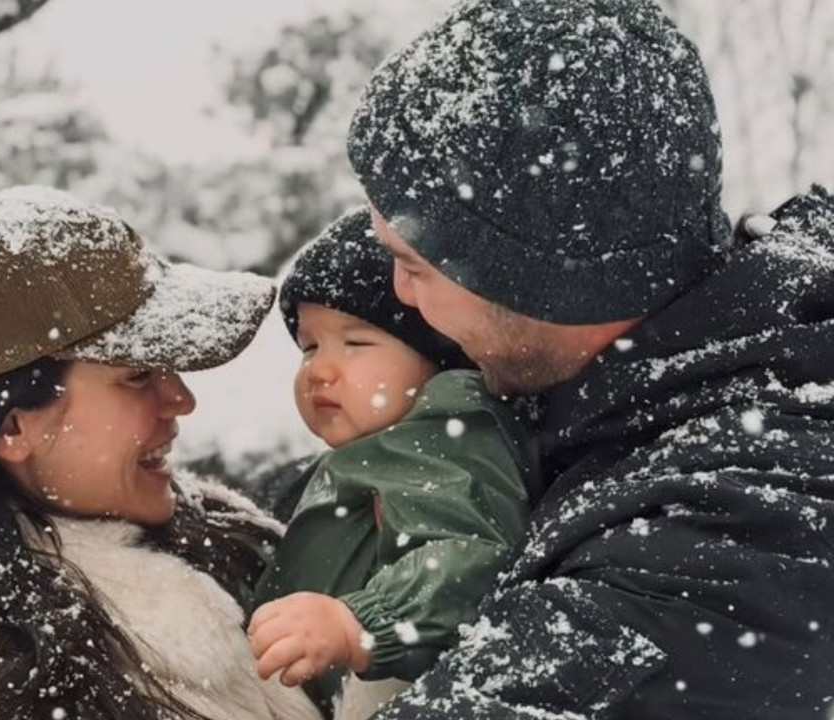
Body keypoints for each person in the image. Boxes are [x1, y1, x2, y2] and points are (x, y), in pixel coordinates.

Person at [345, 0, 834, 718]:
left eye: (414, 265)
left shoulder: (718, 557)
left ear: (537, 279)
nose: (399, 293)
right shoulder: (671, 378)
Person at [0, 186, 322, 720]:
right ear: (12, 429)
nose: (181, 399)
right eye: (138, 375)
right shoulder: (25, 698)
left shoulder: (236, 546)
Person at [248, 207, 541, 720]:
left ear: (438, 356)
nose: (319, 371)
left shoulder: (446, 435)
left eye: (356, 343)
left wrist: (360, 624)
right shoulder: (373, 453)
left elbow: (467, 557)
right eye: (309, 347)